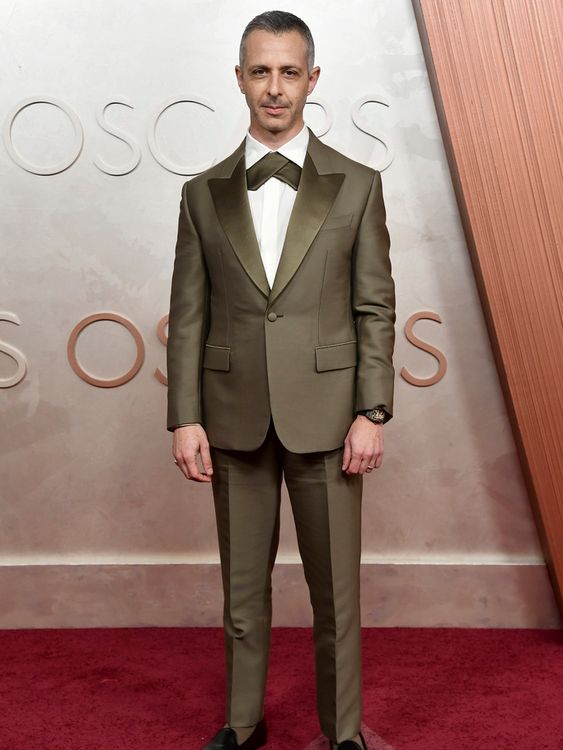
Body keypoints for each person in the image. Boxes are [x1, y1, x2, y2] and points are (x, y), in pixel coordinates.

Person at [166, 10, 395, 750]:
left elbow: (374, 306)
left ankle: (345, 734)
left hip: (329, 416)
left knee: (335, 596)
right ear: (239, 79)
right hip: (231, 417)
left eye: (288, 72)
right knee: (241, 593)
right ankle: (240, 722)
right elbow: (188, 312)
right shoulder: (202, 193)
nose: (274, 88)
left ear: (312, 80)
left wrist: (372, 410)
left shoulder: (357, 185)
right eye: (260, 71)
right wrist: (184, 416)